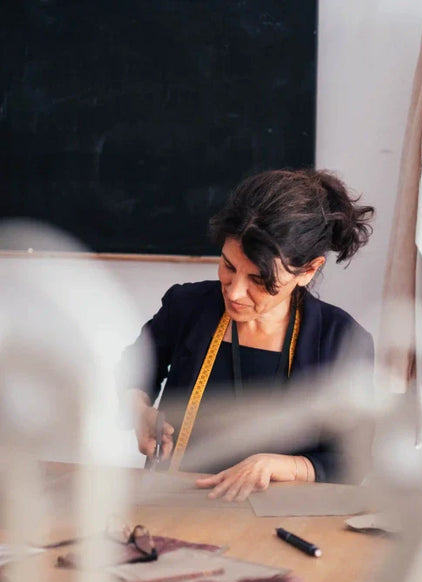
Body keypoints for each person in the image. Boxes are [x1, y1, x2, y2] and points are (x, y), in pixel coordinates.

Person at [120, 169, 374, 500]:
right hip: (176, 502)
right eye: (228, 266)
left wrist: (282, 466)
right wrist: (138, 409)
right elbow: (130, 372)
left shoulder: (340, 340)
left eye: (259, 280)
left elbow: (352, 460)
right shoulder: (187, 307)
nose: (235, 292)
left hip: (281, 517)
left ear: (308, 270)